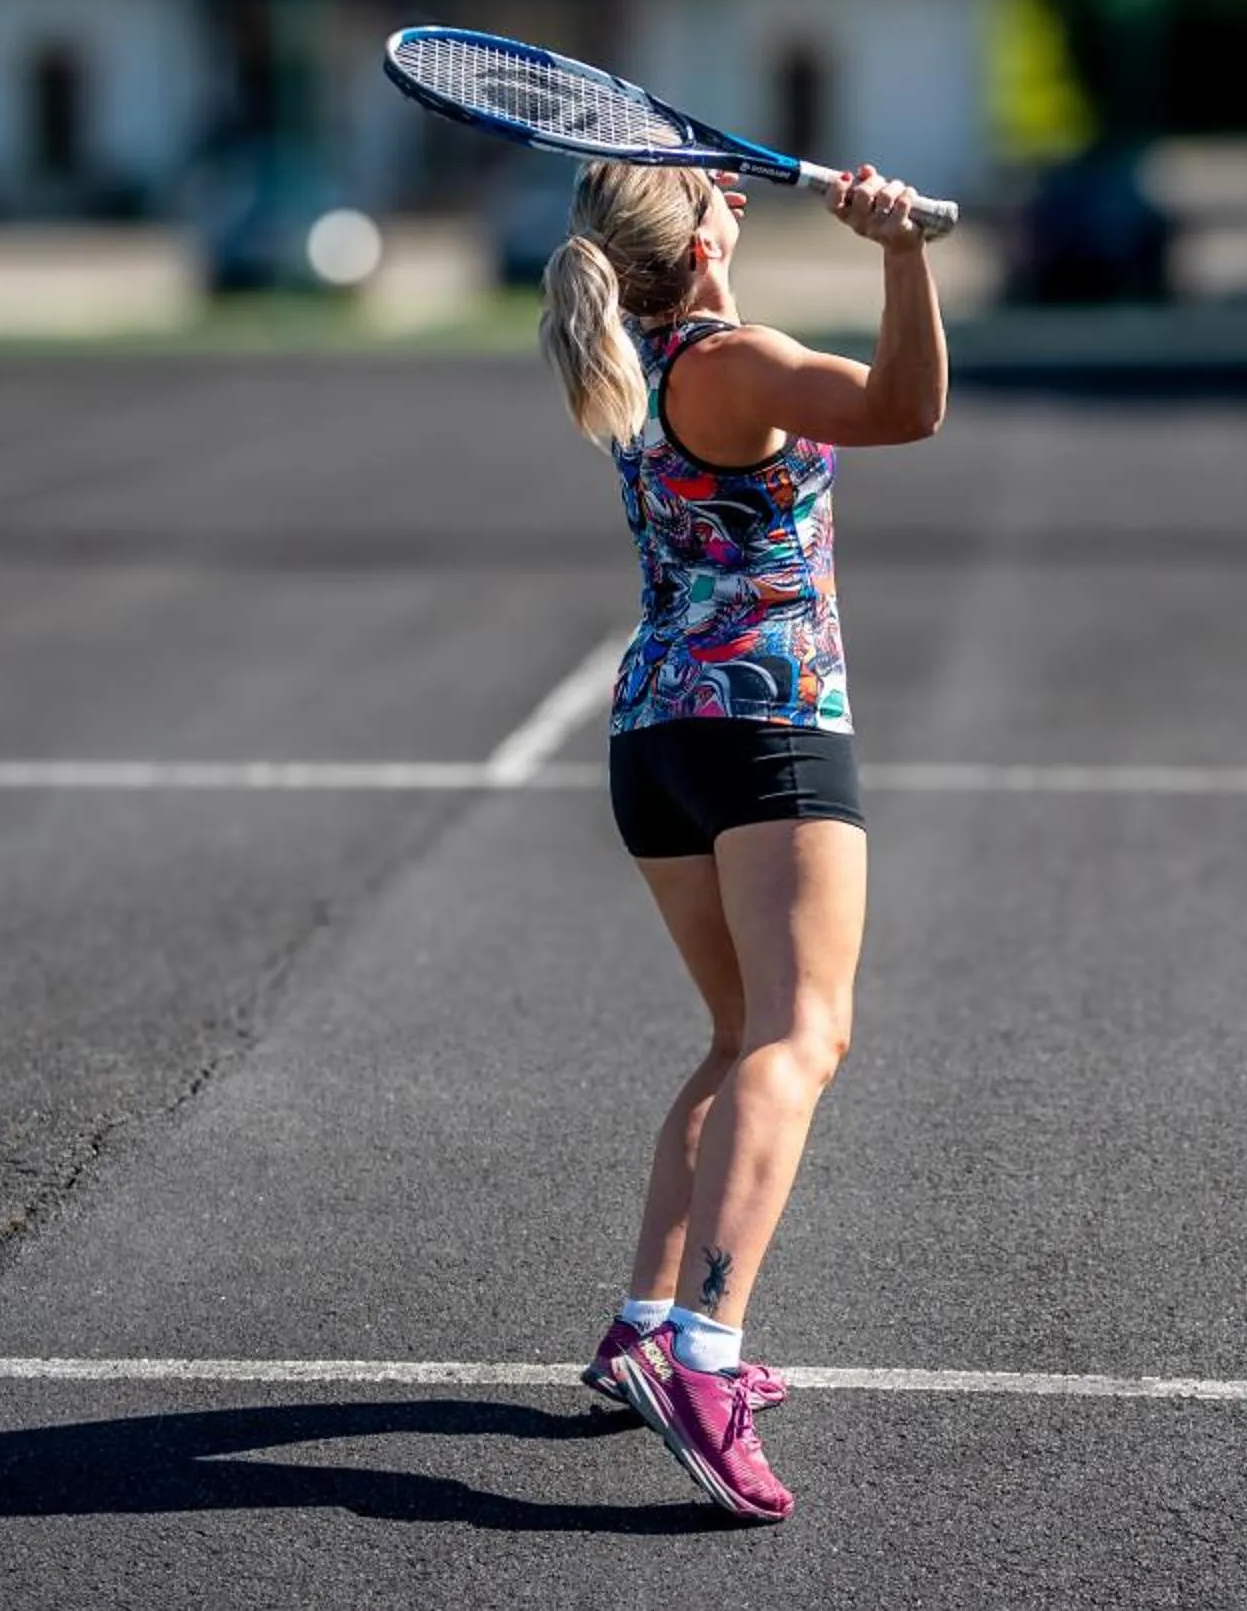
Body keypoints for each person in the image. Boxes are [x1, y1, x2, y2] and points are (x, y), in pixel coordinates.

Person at [534, 156, 945, 1521]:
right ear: (697, 242)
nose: (737, 202)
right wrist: (899, 251)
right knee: (801, 1037)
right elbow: (906, 409)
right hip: (767, 726)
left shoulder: (631, 356)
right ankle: (706, 1356)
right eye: (717, 199)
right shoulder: (736, 361)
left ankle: (646, 1322)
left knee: (737, 1035)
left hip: (656, 736)